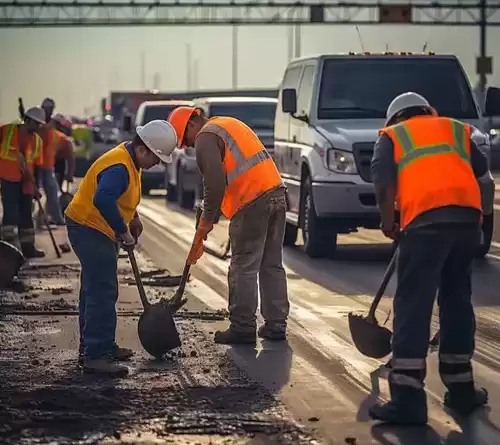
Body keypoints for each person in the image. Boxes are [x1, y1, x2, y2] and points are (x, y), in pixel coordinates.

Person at [369, 92, 488, 424]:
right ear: (429, 111)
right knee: (456, 299)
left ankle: (407, 401)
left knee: (413, 305)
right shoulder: (456, 130)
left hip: (424, 223)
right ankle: (462, 390)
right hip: (467, 222)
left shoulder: (391, 137)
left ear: (394, 119)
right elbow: (482, 172)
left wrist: (389, 221)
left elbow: (383, 183)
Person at [167, 107, 290, 344]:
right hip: (276, 193)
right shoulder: (226, 124)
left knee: (243, 266)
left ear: (190, 125)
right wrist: (209, 216)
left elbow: (214, 183)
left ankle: (243, 327)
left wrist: (206, 221)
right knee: (271, 264)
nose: (190, 147)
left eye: (186, 142)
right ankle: (276, 324)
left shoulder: (205, 136)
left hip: (252, 201)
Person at [64, 120, 177, 377]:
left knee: (94, 288)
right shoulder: (119, 166)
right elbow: (102, 198)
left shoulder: (129, 160)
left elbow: (120, 196)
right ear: (144, 149)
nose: (157, 164)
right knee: (103, 289)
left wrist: (133, 218)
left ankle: (94, 346)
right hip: (89, 226)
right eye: (156, 159)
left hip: (93, 226)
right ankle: (96, 356)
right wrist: (122, 230)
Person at [0, 107, 46, 258]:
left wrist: (36, 187)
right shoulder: (7, 131)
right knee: (11, 215)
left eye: (40, 124)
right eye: (35, 123)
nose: (38, 127)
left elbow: (37, 166)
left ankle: (28, 249)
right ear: (27, 120)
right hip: (8, 178)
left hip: (27, 183)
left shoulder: (37, 140)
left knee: (26, 216)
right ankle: (9, 251)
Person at [37, 114, 65, 226]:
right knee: (35, 193)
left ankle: (57, 218)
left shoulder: (55, 134)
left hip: (48, 166)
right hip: (37, 165)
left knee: (53, 192)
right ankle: (36, 219)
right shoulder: (42, 130)